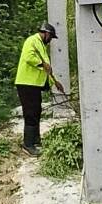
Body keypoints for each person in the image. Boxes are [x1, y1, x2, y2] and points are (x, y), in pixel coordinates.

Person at [14, 23, 65, 154]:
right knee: (30, 113)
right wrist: (42, 63)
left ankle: (35, 139)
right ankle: (28, 144)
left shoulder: (41, 45)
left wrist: (55, 82)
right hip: (27, 84)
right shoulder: (32, 40)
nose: (51, 40)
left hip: (34, 85)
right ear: (46, 33)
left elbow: (46, 70)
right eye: (51, 37)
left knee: (36, 111)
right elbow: (29, 57)